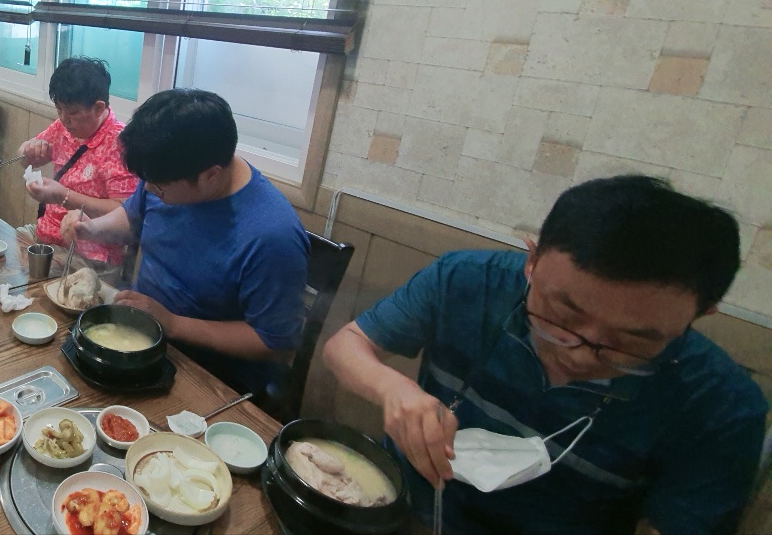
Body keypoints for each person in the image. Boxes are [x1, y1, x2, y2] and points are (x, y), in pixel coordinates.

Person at [323, 175, 767, 535]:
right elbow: (346, 346)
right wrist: (393, 389)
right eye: (563, 314)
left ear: (700, 313)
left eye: (630, 340)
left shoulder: (720, 404)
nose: (580, 353)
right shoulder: (466, 281)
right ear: (532, 260)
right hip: (396, 510)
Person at [62, 89, 310, 394]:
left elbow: (274, 343)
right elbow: (134, 216)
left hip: (212, 378)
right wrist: (91, 228)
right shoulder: (168, 172)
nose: (149, 190)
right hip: (135, 339)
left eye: (158, 187)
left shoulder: (271, 236)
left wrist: (174, 324)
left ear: (210, 176)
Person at [19, 58, 139, 264]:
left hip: (90, 253)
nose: (64, 119)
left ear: (99, 108)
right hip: (46, 234)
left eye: (72, 112)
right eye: (59, 109)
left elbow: (124, 212)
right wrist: (27, 150)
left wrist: (63, 196)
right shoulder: (64, 126)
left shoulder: (120, 144)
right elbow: (25, 160)